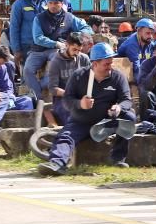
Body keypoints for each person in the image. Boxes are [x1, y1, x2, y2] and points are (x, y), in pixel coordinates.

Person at [37, 43, 136, 175]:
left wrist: (119, 107)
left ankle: (118, 158)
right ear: (95, 64)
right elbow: (67, 100)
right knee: (66, 136)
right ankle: (57, 163)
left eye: (111, 63)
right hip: (81, 121)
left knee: (129, 117)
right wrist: (80, 104)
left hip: (106, 121)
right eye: (106, 64)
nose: (110, 67)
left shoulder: (118, 77)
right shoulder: (79, 76)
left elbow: (127, 99)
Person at [25, 0, 93, 99]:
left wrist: (76, 36)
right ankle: (37, 98)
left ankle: (41, 87)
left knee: (57, 67)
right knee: (27, 70)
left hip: (56, 51)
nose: (53, 5)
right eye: (50, 3)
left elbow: (87, 28)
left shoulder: (70, 17)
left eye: (56, 3)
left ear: (62, 3)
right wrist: (56, 44)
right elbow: (38, 38)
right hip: (38, 50)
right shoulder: (39, 18)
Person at [46, 32, 91, 125]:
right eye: (74, 49)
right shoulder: (55, 62)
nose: (77, 53)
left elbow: (91, 79)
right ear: (66, 45)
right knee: (71, 115)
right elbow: (52, 88)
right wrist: (69, 94)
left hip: (82, 96)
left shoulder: (84, 58)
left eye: (79, 50)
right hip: (62, 99)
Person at [9, 0, 46, 70]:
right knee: (28, 77)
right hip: (27, 49)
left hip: (46, 46)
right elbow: (14, 28)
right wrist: (16, 50)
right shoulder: (19, 5)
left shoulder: (48, 1)